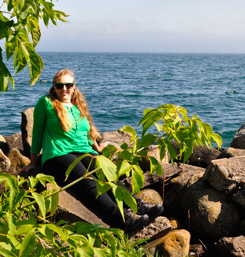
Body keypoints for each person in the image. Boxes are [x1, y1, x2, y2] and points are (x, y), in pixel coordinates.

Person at [18, 69, 163, 231]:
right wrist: (32, 162)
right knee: (88, 182)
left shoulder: (77, 105)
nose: (64, 89)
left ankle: (137, 205)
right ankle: (122, 218)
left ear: (73, 87)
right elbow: (37, 132)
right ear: (54, 87)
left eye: (68, 85)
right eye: (60, 85)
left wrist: (98, 151)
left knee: (107, 176)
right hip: (58, 155)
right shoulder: (45, 103)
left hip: (84, 150)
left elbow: (88, 134)